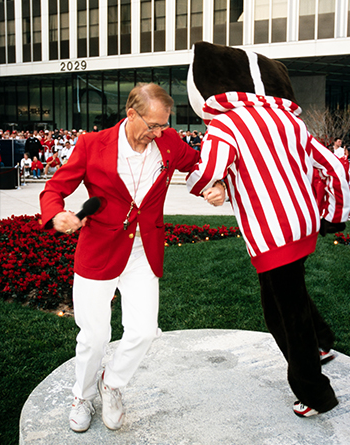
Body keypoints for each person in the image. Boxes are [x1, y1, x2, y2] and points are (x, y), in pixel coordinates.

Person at [39, 82, 221, 434]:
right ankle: (82, 395)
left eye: (164, 126)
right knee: (94, 337)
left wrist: (217, 187)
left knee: (143, 331)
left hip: (143, 250)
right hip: (99, 251)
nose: (159, 132)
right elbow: (55, 188)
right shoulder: (92, 145)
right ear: (131, 113)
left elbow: (199, 168)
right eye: (153, 125)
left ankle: (112, 384)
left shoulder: (166, 142)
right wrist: (56, 213)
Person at [186, 41, 350, 419]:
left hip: (269, 232)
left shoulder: (226, 123)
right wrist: (334, 215)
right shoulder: (292, 121)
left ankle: (316, 393)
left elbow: (208, 172)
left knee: (283, 313)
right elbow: (335, 169)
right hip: (302, 224)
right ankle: (322, 341)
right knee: (290, 292)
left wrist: (202, 184)